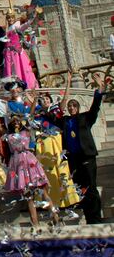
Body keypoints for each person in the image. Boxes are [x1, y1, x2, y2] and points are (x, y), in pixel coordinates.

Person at [54, 72, 106, 224]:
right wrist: (68, 84)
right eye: (70, 106)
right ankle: (89, 215)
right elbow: (60, 108)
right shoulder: (64, 121)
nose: (71, 107)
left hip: (86, 156)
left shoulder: (85, 118)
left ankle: (95, 217)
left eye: (74, 105)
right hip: (73, 159)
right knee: (80, 188)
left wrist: (99, 87)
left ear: (78, 107)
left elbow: (95, 106)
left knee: (91, 187)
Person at [3, 116, 59, 227]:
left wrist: (34, 100)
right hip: (17, 164)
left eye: (17, 121)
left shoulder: (26, 131)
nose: (16, 123)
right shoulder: (8, 135)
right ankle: (35, 223)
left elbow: (31, 115)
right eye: (13, 122)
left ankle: (55, 216)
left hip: (29, 161)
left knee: (43, 191)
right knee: (29, 196)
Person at [2, 9, 39, 89]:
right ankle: (12, 87)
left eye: (11, 17)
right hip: (8, 54)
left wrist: (33, 16)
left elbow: (26, 25)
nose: (10, 19)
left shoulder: (17, 27)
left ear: (14, 18)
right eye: (8, 18)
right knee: (10, 71)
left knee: (20, 69)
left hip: (16, 53)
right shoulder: (6, 30)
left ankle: (25, 85)